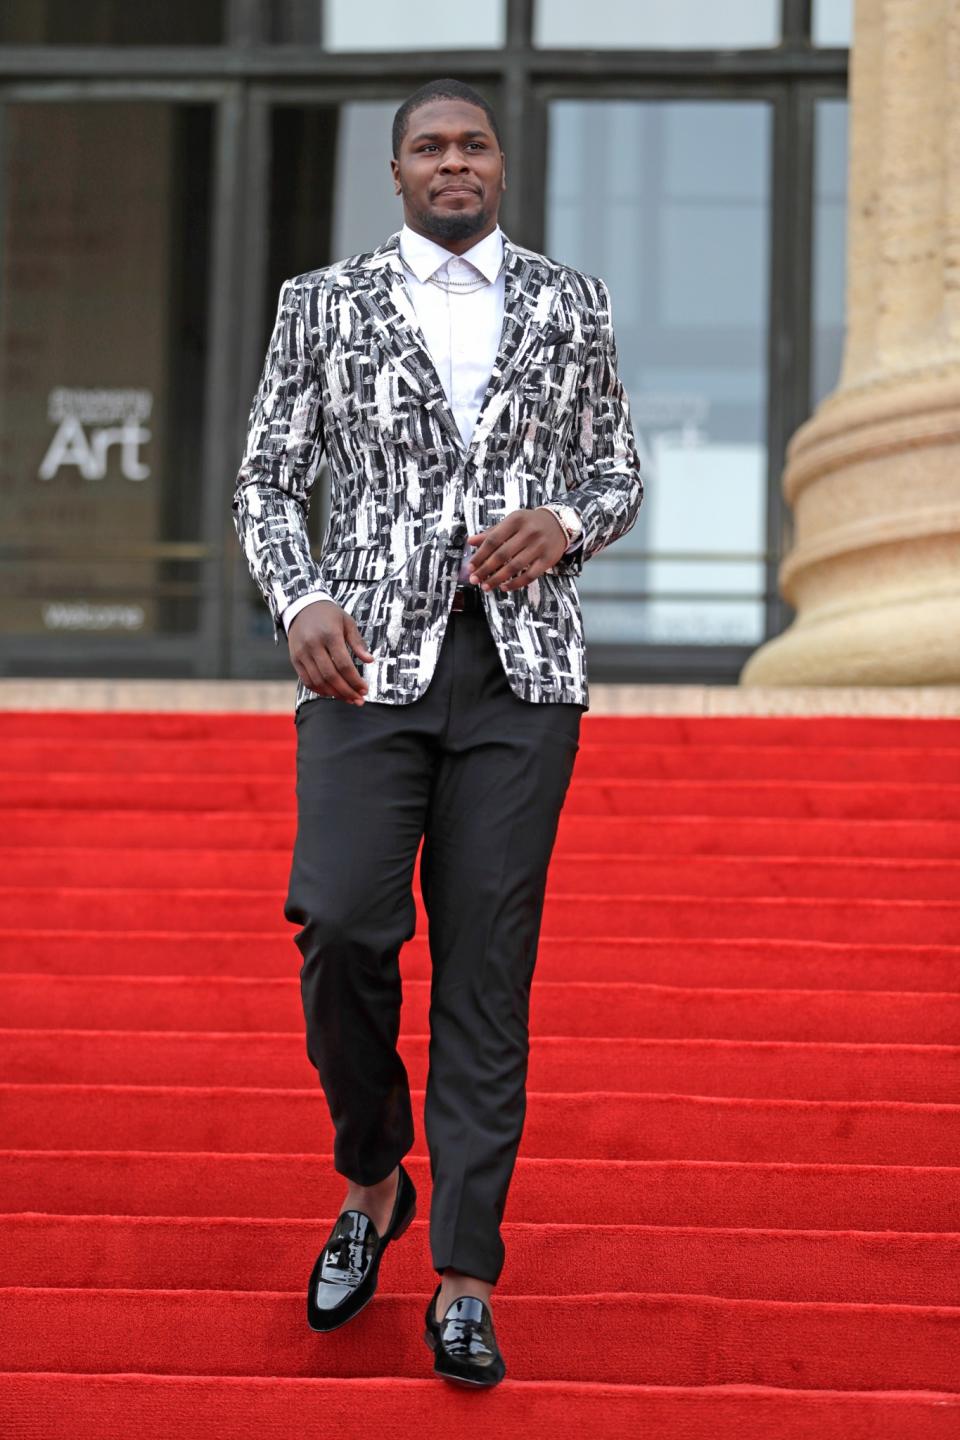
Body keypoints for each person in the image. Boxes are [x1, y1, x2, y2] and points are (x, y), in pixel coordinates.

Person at [233, 77, 643, 1389]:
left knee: (486, 972)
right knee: (342, 919)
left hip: (524, 680)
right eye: (429, 146)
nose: (453, 161)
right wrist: (297, 596)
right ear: (397, 171)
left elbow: (617, 465)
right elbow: (264, 474)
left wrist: (571, 525)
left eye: (473, 144)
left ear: (501, 169)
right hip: (363, 669)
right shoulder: (321, 304)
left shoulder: (573, 303)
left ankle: (465, 1278)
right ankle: (372, 1174)